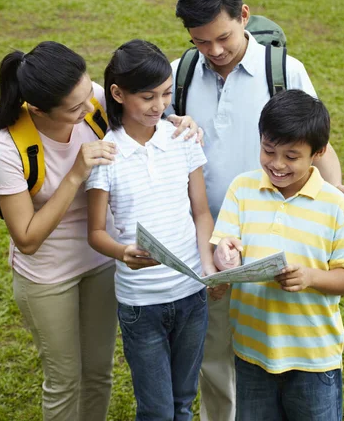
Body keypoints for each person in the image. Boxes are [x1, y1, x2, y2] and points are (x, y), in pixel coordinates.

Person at [171, 0, 344, 421]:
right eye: (201, 42)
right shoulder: (182, 72)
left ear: (243, 16)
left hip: (275, 243)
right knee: (216, 360)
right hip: (210, 242)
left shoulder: (284, 71)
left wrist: (337, 195)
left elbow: (317, 141)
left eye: (223, 37)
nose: (214, 52)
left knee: (266, 354)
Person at [85, 39, 225, 421]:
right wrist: (121, 252)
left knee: (183, 402)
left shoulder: (182, 139)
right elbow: (96, 232)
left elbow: (201, 213)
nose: (160, 106)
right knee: (157, 410)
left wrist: (209, 269)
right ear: (117, 94)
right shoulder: (105, 155)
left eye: (165, 94)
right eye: (147, 97)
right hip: (140, 304)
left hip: (191, 294)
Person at [0, 41, 118, 421]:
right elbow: (26, 238)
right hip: (46, 276)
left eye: (88, 95)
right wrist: (75, 174)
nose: (90, 107)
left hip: (100, 257)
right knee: (64, 381)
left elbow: (147, 113)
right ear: (39, 108)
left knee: (98, 374)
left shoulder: (92, 101)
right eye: (75, 108)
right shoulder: (8, 147)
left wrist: (178, 121)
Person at [212, 89, 344, 421]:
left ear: (318, 153)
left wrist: (310, 277)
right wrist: (225, 256)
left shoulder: (337, 206)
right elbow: (223, 248)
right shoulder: (242, 189)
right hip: (252, 352)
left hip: (313, 356)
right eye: (268, 151)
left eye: (291, 156)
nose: (277, 164)